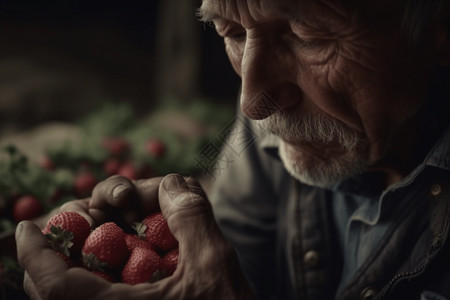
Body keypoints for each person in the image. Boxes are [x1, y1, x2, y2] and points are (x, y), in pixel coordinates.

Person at [15, 0, 450, 299]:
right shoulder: (267, 132)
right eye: (232, 32)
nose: (253, 103)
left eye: (310, 36)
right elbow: (236, 262)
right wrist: (157, 268)